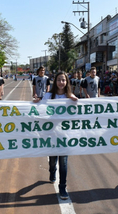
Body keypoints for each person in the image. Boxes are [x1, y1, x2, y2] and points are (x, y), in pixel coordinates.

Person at [34, 71, 78, 200]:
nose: (61, 82)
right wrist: (37, 102)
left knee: (63, 162)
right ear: (55, 81)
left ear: (67, 82)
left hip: (64, 135)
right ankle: (52, 172)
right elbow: (40, 109)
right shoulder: (48, 95)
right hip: (51, 134)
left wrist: (75, 100)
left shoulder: (69, 96)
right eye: (59, 80)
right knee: (53, 161)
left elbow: (79, 109)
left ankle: (62, 187)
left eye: (63, 80)